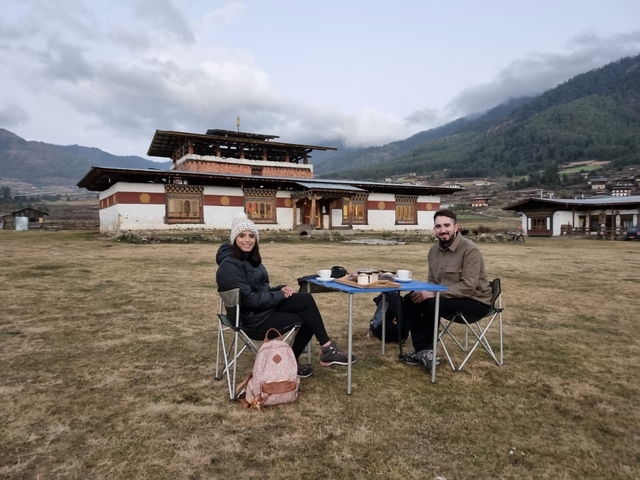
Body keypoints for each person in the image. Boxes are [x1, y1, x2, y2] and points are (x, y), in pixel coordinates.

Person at [216, 213, 357, 378]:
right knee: (307, 319)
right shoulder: (229, 266)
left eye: (251, 236)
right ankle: (298, 360)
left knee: (305, 299)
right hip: (252, 319)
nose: (247, 240)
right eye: (242, 236)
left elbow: (262, 289)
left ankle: (326, 348)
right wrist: (280, 296)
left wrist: (281, 289)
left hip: (261, 310)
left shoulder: (250, 260)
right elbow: (251, 300)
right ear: (234, 239)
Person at [401, 208, 493, 371]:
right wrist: (421, 291)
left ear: (456, 227)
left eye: (446, 225)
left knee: (430, 302)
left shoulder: (469, 250)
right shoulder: (433, 251)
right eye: (438, 226)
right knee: (410, 300)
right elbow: (431, 281)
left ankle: (428, 350)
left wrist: (433, 293)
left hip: (476, 301)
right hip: (448, 299)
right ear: (434, 229)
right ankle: (422, 349)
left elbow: (468, 287)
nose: (442, 230)